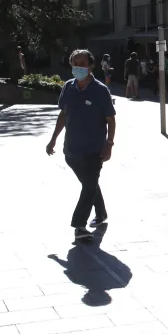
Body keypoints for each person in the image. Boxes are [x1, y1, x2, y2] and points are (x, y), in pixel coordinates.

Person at [46, 49, 116, 243]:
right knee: (89, 184)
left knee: (88, 186)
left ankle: (79, 225)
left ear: (91, 66)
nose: (78, 67)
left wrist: (109, 144)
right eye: (75, 63)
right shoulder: (68, 87)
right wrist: (53, 139)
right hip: (72, 151)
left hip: (94, 150)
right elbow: (63, 115)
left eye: (82, 63)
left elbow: (111, 120)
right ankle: (101, 214)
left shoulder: (100, 90)